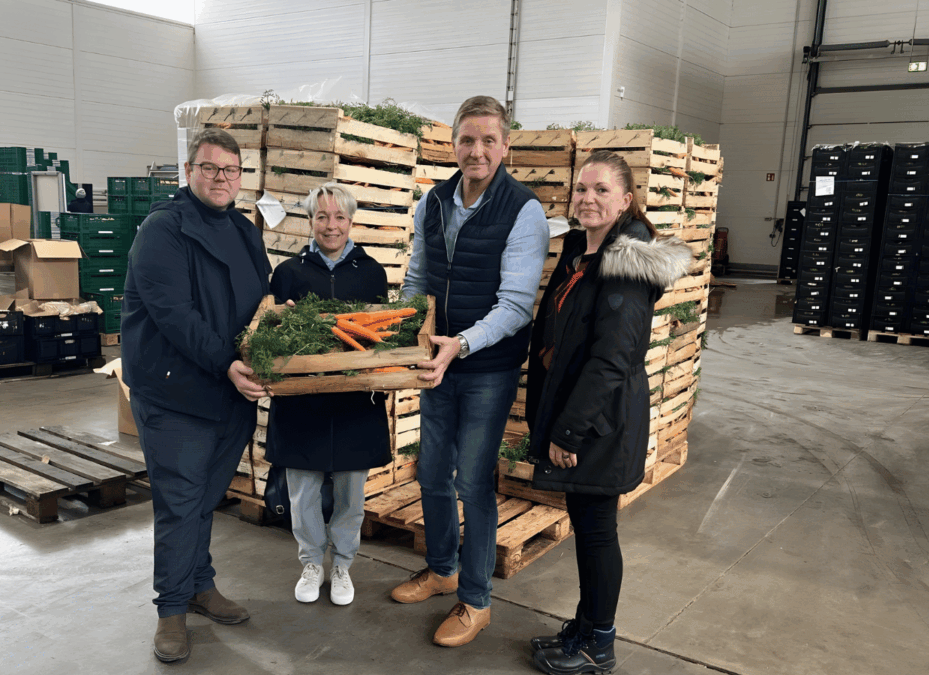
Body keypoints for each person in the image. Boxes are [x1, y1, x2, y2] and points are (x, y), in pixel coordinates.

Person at [391, 95, 550, 647]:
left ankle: (476, 600)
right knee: (432, 472)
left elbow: (516, 305)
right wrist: (407, 333)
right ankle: (442, 569)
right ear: (453, 143)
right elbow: (417, 278)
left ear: (505, 147)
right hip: (436, 360)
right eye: (466, 139)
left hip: (486, 367)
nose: (476, 150)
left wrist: (459, 345)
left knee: (474, 480)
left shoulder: (524, 210)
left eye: (488, 140)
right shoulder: (433, 202)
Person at [525, 150, 691, 675]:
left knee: (597, 531)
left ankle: (600, 644)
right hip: (582, 410)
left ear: (625, 200)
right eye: (582, 188)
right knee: (586, 524)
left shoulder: (625, 266)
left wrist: (569, 432)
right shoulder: (582, 251)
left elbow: (612, 359)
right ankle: (584, 626)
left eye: (601, 190)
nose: (588, 198)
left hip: (600, 420)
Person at [121, 127, 271, 663]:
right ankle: (171, 610)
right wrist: (228, 363)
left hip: (229, 390)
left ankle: (200, 584)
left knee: (205, 496)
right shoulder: (163, 230)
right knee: (180, 503)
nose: (220, 178)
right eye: (209, 168)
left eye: (230, 169)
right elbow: (175, 315)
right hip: (176, 393)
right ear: (189, 172)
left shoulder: (244, 230)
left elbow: (259, 304)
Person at [264, 182, 391, 607]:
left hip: (356, 402)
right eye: (322, 217)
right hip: (302, 401)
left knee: (351, 495)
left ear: (351, 221)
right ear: (310, 221)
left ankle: (342, 565)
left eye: (339, 217)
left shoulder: (371, 273)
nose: (330, 225)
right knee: (303, 492)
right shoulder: (288, 273)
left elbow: (383, 338)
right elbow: (273, 339)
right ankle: (311, 563)